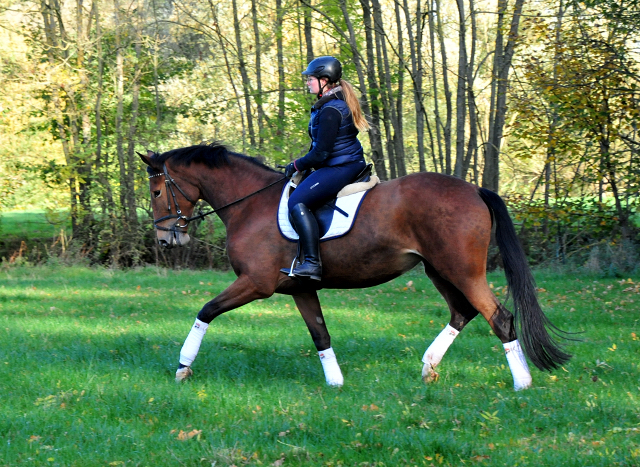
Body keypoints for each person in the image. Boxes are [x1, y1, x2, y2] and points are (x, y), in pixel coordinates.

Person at [282, 56, 370, 281]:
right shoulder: (331, 104)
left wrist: (296, 164)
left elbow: (321, 152)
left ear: (324, 80)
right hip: (340, 163)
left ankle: (311, 264)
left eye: (310, 79)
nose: (308, 82)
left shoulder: (331, 109)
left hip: (342, 166)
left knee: (297, 202)